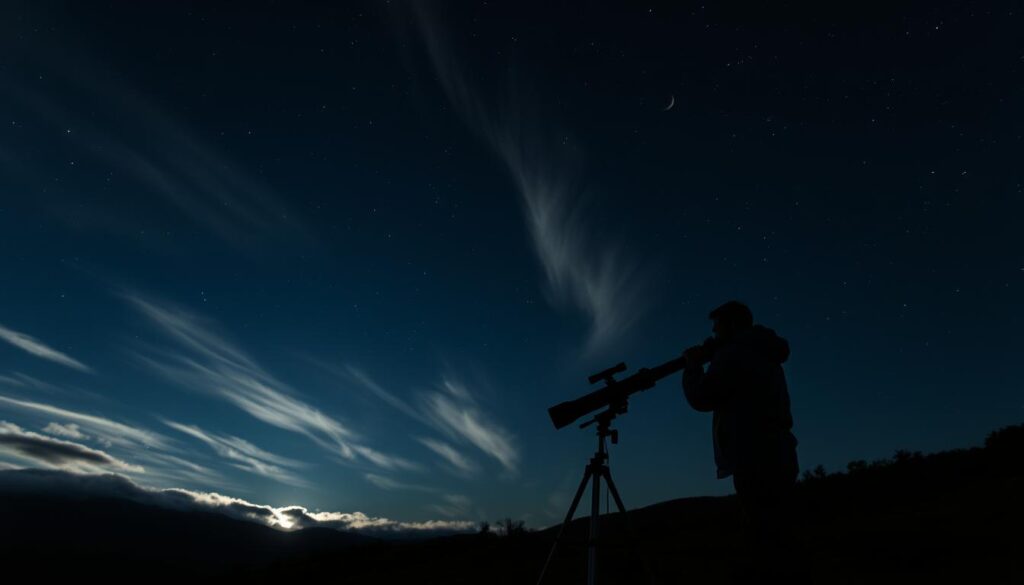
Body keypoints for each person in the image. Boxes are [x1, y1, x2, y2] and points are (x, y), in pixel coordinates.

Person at [681, 300, 800, 581]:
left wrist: (693, 367)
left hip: (753, 454)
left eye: (717, 326)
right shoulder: (764, 350)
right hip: (780, 451)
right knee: (780, 535)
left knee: (760, 537)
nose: (713, 332)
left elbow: (703, 397)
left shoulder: (733, 353)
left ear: (732, 325)